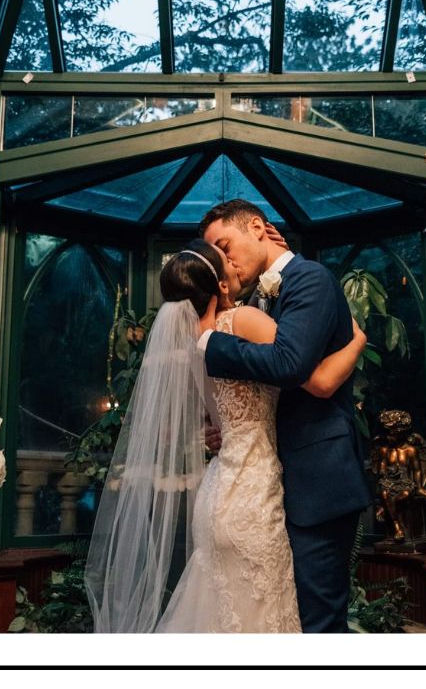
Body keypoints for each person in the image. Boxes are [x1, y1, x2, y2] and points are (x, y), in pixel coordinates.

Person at [85, 238, 366, 633]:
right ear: (218, 285)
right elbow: (310, 375)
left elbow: (215, 415)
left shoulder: (191, 346)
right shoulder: (243, 322)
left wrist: (216, 431)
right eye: (225, 258)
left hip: (217, 491)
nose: (234, 263)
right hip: (252, 494)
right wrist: (356, 341)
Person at [199, 199, 372, 633]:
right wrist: (234, 427)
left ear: (257, 227)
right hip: (268, 486)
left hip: (317, 480)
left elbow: (291, 366)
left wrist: (209, 343)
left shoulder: (309, 279)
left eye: (225, 245)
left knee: (317, 623)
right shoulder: (258, 295)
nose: (225, 260)